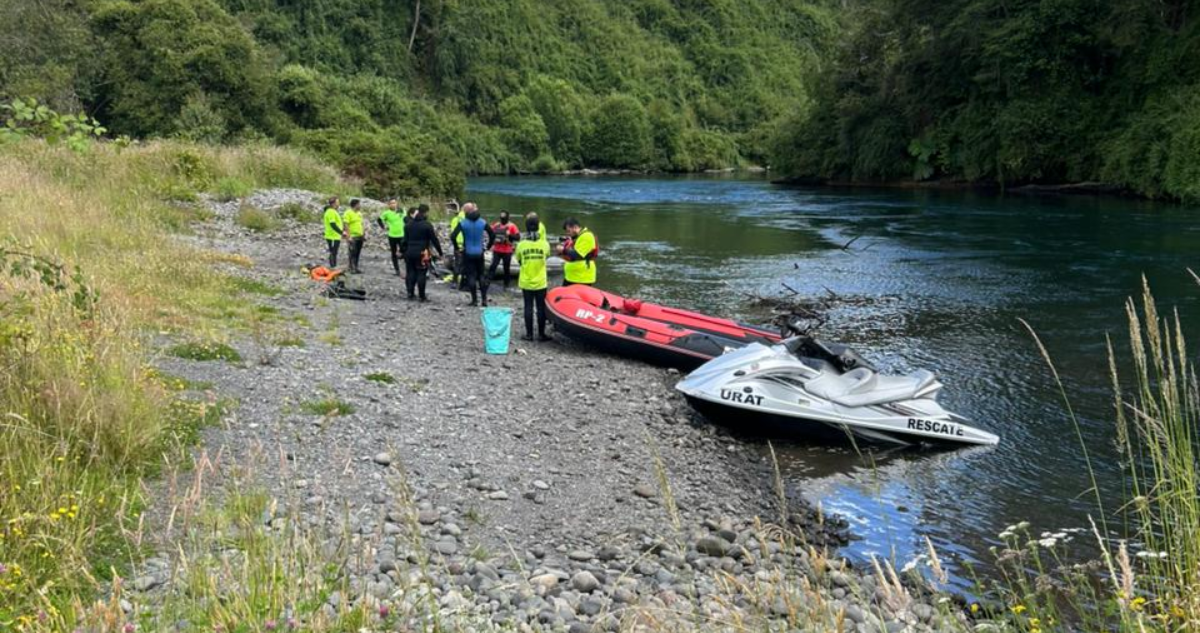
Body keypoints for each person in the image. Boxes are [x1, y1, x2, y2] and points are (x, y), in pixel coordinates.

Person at [449, 202, 496, 306]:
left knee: (471, 276)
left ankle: (474, 300)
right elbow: (492, 235)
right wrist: (487, 247)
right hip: (479, 252)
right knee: (481, 275)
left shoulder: (464, 223)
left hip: (468, 252)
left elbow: (453, 236)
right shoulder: (482, 222)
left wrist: (457, 248)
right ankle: (484, 300)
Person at [514, 213, 552, 341]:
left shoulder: (521, 245)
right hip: (541, 281)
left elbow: (519, 260)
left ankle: (529, 334)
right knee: (541, 308)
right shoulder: (545, 244)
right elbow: (546, 257)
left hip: (526, 280)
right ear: (538, 226)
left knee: (528, 307)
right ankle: (541, 334)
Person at [400, 206, 442, 301]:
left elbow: (404, 240)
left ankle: (410, 293)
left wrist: (402, 251)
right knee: (421, 273)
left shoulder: (408, 225)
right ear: (425, 214)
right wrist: (440, 252)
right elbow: (434, 240)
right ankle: (422, 296)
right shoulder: (427, 225)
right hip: (422, 252)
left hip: (410, 251)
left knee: (410, 272)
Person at [559, 217, 598, 286]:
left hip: (582, 278)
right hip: (572, 276)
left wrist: (563, 250)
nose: (567, 233)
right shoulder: (577, 237)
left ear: (575, 227)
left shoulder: (587, 236)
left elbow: (577, 255)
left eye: (568, 231)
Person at [488, 210, 520, 288]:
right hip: (497, 250)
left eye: (504, 218)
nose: (502, 220)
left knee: (506, 268)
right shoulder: (496, 225)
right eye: (501, 218)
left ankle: (506, 285)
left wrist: (510, 235)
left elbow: (518, 237)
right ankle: (487, 282)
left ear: (507, 218)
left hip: (507, 251)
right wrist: (490, 244)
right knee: (493, 266)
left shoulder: (512, 226)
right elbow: (490, 232)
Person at [377, 199, 406, 276]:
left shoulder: (401, 211)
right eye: (391, 203)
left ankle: (408, 269)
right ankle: (397, 270)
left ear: (397, 204)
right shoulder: (386, 213)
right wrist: (383, 227)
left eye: (394, 203)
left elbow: (407, 219)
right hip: (392, 235)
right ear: (389, 205)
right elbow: (379, 219)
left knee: (405, 252)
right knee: (393, 253)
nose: (393, 205)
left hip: (402, 234)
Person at [322, 197, 346, 268]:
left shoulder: (333, 211)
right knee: (333, 252)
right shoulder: (330, 212)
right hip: (332, 235)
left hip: (335, 235)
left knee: (334, 252)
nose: (339, 204)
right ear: (333, 203)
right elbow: (333, 224)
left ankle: (333, 266)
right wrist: (341, 232)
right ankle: (333, 267)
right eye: (337, 202)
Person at [344, 199, 365, 274]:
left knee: (358, 253)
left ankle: (355, 267)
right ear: (355, 205)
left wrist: (363, 233)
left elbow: (361, 224)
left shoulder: (359, 213)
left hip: (360, 236)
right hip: (353, 236)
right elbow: (346, 225)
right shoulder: (348, 213)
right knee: (352, 252)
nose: (360, 206)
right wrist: (348, 236)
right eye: (359, 204)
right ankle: (351, 268)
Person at [447, 201, 465, 287]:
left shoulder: (455, 219)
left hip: (456, 243)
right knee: (466, 264)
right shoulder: (468, 219)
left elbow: (452, 232)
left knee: (457, 263)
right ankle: (463, 283)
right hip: (465, 244)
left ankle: (454, 282)